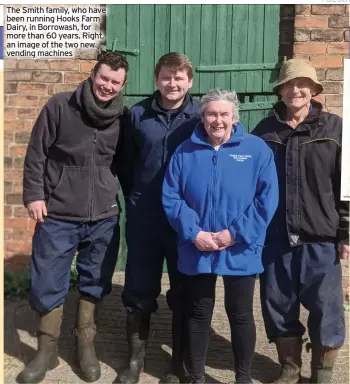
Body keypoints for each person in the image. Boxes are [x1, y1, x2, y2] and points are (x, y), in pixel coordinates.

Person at [19, 52, 129, 384]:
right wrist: (35, 195)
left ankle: (85, 345)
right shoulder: (59, 106)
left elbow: (125, 164)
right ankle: (47, 350)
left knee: (95, 281)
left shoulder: (123, 117)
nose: (107, 86)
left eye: (115, 82)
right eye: (103, 78)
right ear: (93, 75)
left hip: (103, 217)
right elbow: (36, 153)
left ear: (122, 85)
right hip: (58, 213)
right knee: (47, 280)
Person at [162, 89, 279, 384]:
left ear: (234, 117)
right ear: (202, 117)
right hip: (198, 245)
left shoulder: (256, 150)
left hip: (239, 246)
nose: (218, 120)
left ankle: (243, 377)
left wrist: (234, 234)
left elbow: (267, 199)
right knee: (199, 312)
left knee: (240, 313)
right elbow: (172, 197)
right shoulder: (185, 151)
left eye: (224, 114)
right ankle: (197, 376)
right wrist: (194, 233)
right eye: (212, 114)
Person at [252, 59, 349, 384]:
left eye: (303, 84)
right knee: (278, 307)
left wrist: (345, 232)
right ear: (279, 90)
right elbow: (249, 186)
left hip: (320, 239)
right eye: (289, 84)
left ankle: (322, 373)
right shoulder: (264, 131)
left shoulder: (336, 129)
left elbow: (347, 187)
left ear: (314, 90)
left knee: (327, 312)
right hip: (275, 240)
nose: (295, 90)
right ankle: (290, 369)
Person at [117, 52, 201, 384]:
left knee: (183, 291)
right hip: (145, 218)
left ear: (189, 82)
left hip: (185, 221)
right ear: (157, 80)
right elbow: (125, 163)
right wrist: (137, 197)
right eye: (166, 77)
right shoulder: (137, 114)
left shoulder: (200, 116)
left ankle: (176, 365)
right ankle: (134, 363)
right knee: (138, 289)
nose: (172, 83)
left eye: (179, 77)